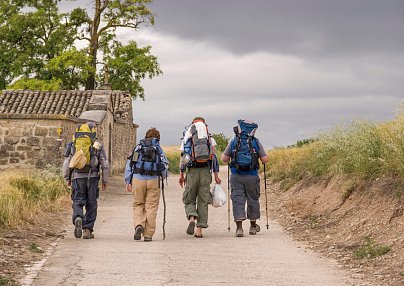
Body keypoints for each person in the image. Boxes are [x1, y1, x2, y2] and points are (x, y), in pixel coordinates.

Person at [221, 119, 268, 237]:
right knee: (253, 199)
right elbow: (265, 160)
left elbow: (224, 159)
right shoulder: (256, 142)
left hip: (236, 176)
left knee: (238, 200)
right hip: (252, 176)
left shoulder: (233, 141)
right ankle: (253, 227)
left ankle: (239, 229)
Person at [63, 122, 109, 239]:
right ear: (92, 131)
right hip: (93, 178)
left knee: (78, 200)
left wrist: (67, 178)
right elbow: (105, 164)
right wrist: (105, 180)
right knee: (91, 204)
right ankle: (87, 230)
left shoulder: (73, 143)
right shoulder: (97, 144)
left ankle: (78, 217)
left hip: (77, 177)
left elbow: (67, 163)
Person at [179, 117, 221, 238]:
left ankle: (192, 217)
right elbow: (214, 159)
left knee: (189, 198)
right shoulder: (209, 138)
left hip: (192, 172)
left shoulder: (188, 137)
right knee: (203, 201)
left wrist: (181, 175)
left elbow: (183, 158)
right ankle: (199, 230)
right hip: (205, 172)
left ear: (193, 124)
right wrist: (216, 176)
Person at [124, 128, 168, 242]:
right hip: (154, 180)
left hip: (138, 179)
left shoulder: (138, 148)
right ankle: (148, 235)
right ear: (158, 138)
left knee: (138, 204)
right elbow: (164, 166)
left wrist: (128, 181)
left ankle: (139, 225)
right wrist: (163, 177)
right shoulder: (158, 149)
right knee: (151, 207)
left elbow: (130, 165)